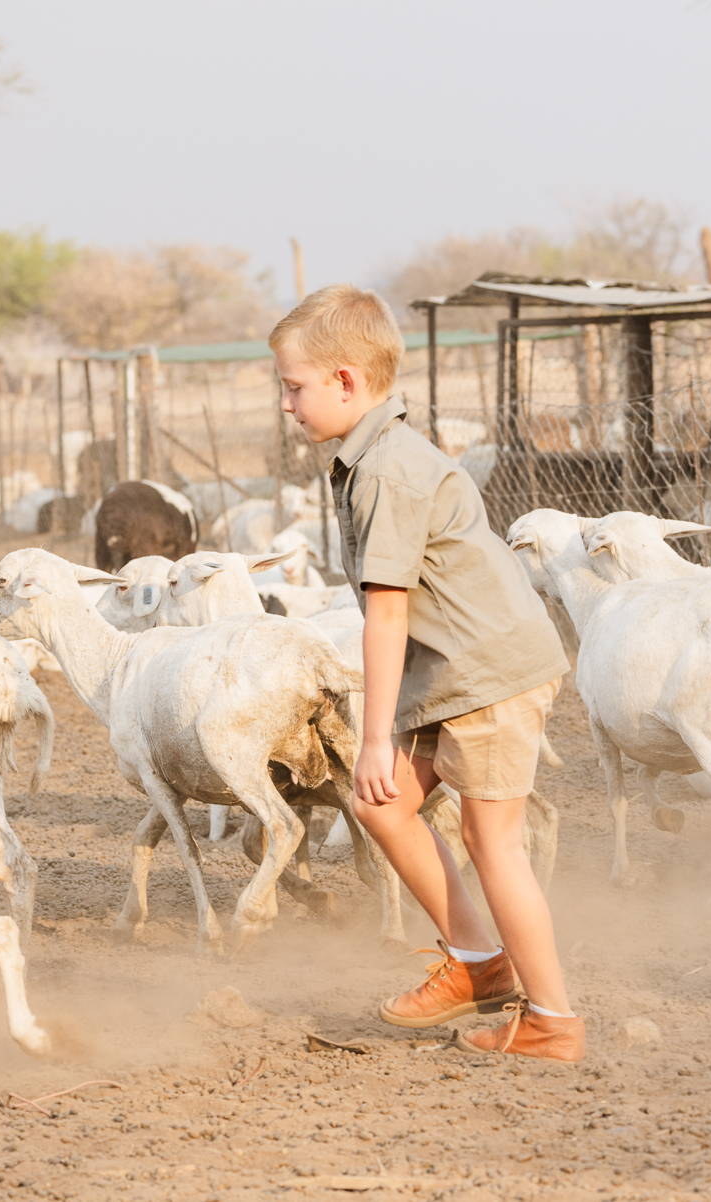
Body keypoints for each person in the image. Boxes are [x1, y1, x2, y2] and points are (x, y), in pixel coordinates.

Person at [270, 283, 583, 1062]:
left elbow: (387, 613)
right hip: (450, 675)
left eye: (293, 386)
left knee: (491, 841)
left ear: (346, 381)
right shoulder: (370, 456)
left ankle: (552, 1022)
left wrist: (374, 736)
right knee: (383, 807)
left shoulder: (387, 471)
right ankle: (481, 965)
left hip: (489, 672)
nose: (286, 404)